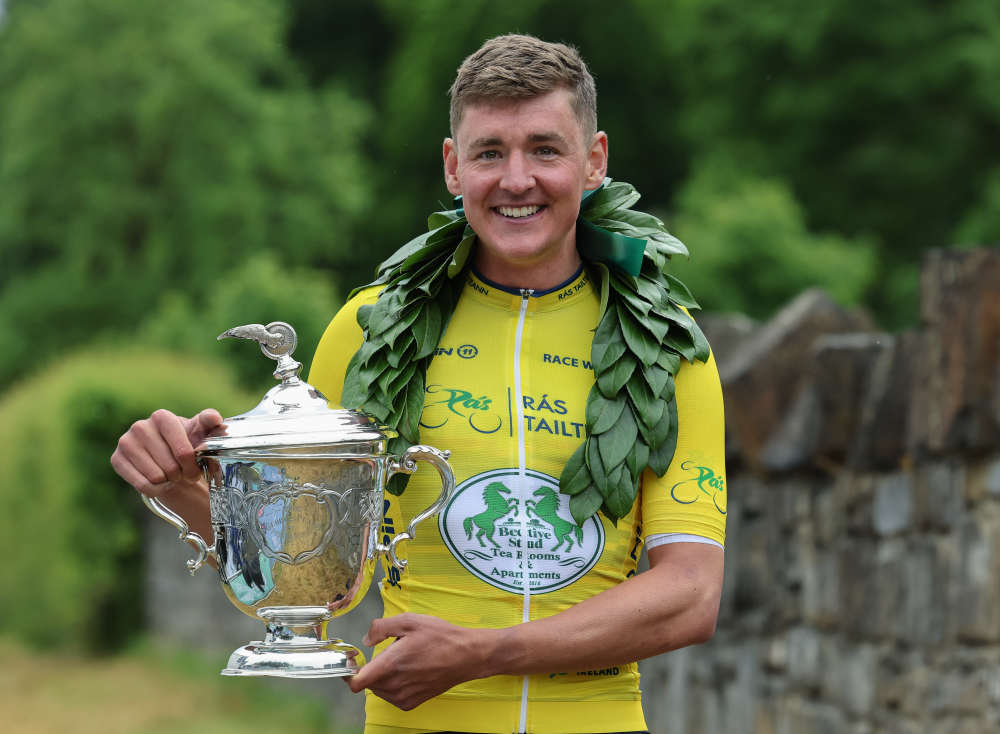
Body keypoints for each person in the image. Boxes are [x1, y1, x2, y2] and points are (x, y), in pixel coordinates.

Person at [111, 34, 726, 734]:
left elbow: (691, 593)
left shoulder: (665, 346)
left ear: (594, 162)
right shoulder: (367, 330)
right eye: (489, 151)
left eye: (545, 150)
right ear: (452, 167)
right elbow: (309, 569)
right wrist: (184, 487)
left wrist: (483, 653)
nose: (516, 178)